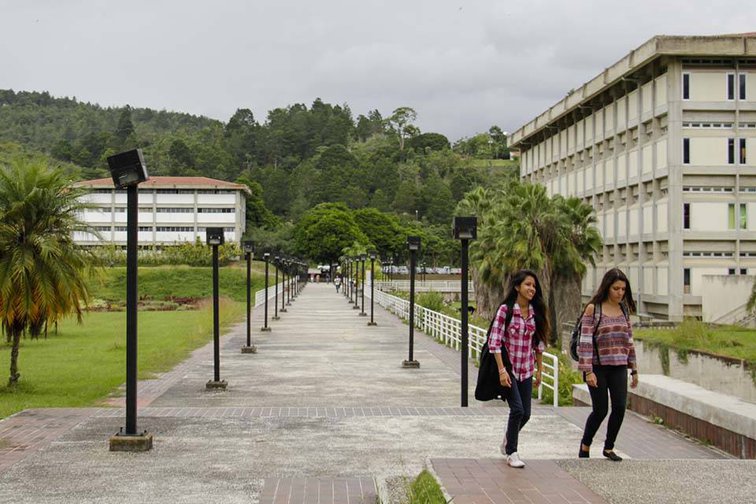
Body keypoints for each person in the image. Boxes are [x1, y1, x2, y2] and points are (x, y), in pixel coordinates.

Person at [488, 269, 549, 468]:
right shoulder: (505, 310)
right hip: (509, 369)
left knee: (527, 414)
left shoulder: (535, 313)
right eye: (527, 285)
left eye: (533, 285)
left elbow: (538, 345)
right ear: (517, 287)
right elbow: (494, 342)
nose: (532, 288)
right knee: (517, 409)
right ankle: (512, 452)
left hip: (527, 369)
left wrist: (540, 370)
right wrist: (501, 371)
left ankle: (507, 439)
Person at [578, 267, 639, 461]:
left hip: (619, 366)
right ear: (607, 287)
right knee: (601, 410)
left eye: (623, 289)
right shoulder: (593, 309)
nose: (620, 293)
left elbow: (629, 340)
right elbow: (585, 341)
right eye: (616, 288)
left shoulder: (623, 310)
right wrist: (588, 371)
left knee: (620, 407)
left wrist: (634, 369)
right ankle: (585, 445)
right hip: (597, 367)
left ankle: (609, 447)